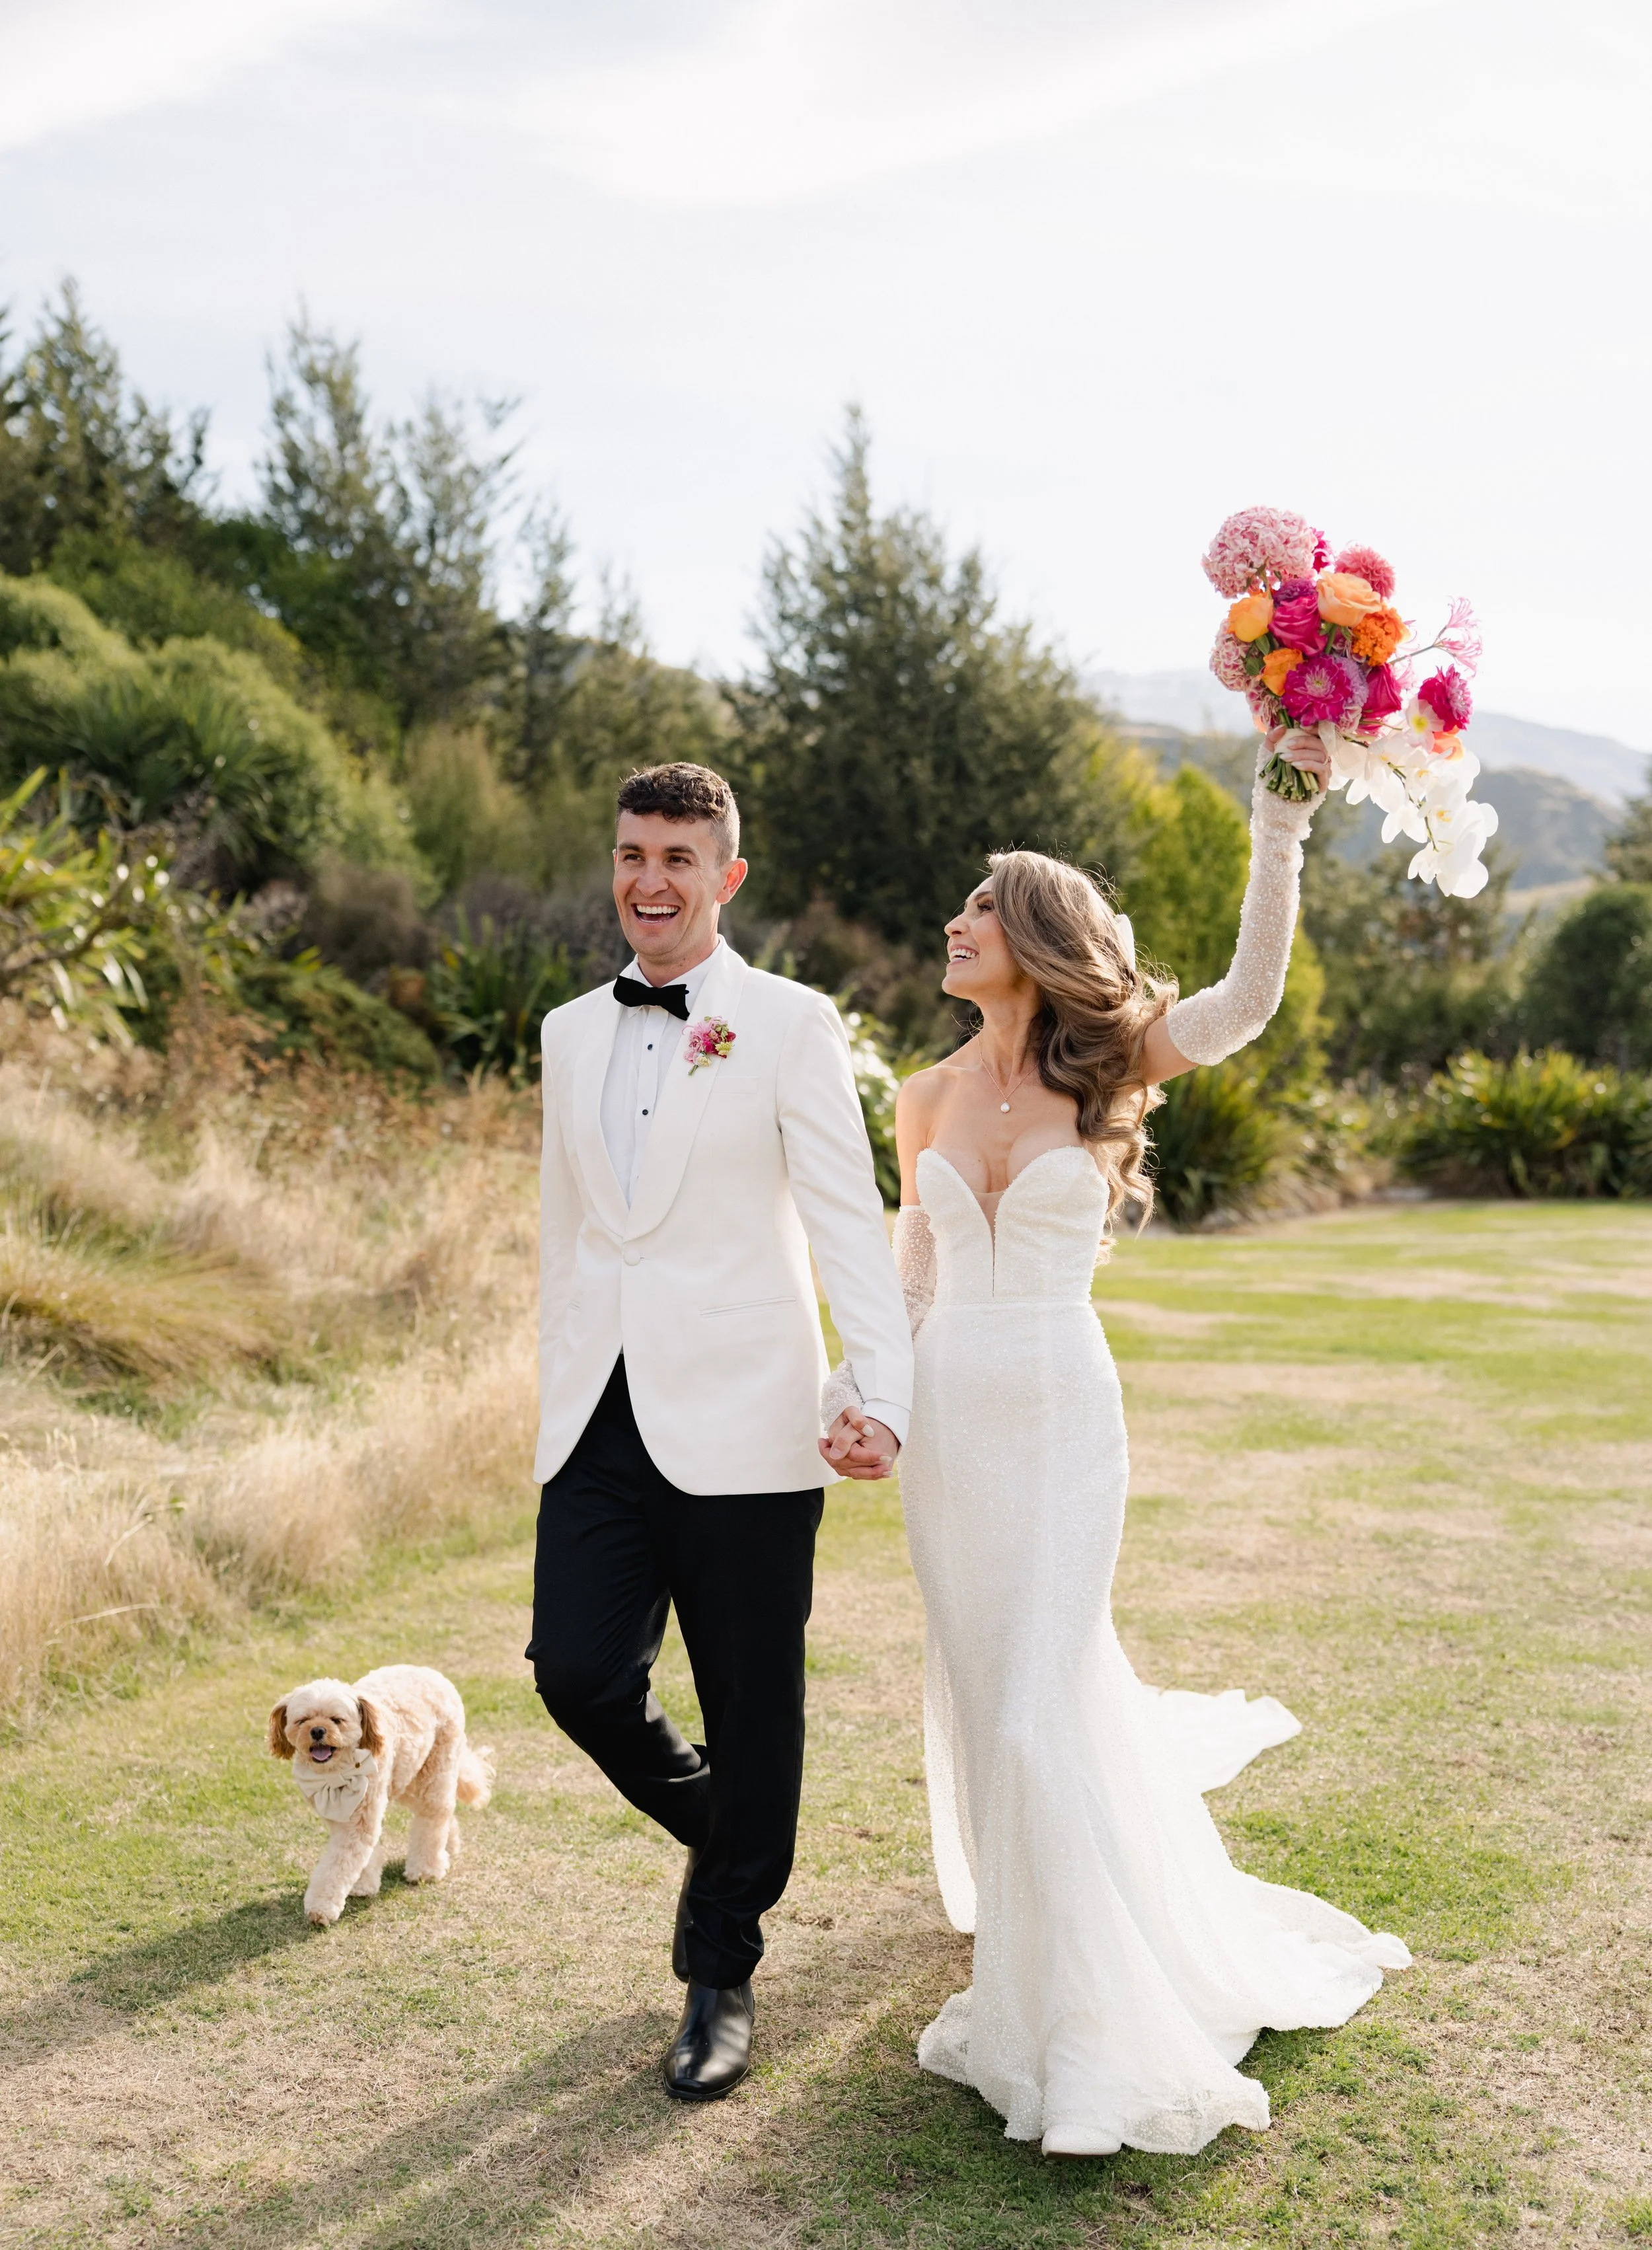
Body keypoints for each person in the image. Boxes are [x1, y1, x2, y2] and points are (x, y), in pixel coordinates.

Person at [826, 734, 1409, 2157]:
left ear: (1030, 936)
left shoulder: (1111, 1068)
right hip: (955, 1426)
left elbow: (1246, 998)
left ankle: (1082, 2023)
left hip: (1064, 1416)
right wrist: (869, 1402)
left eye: (977, 907)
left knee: (1036, 1693)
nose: (951, 924)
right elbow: (908, 1285)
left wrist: (1275, 824)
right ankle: (1028, 1963)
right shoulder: (918, 1095)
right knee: (991, 1691)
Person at [528, 761, 913, 2103]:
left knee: (754, 1699)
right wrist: (550, 1390)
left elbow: (847, 1222)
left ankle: (719, 1973)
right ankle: (735, 1832)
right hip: (597, 1418)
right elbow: (562, 1237)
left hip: (749, 1415)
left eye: (679, 858)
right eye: (634, 852)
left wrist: (882, 1389)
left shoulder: (793, 1024)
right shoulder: (567, 1030)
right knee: (574, 1674)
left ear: (725, 876)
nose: (650, 880)